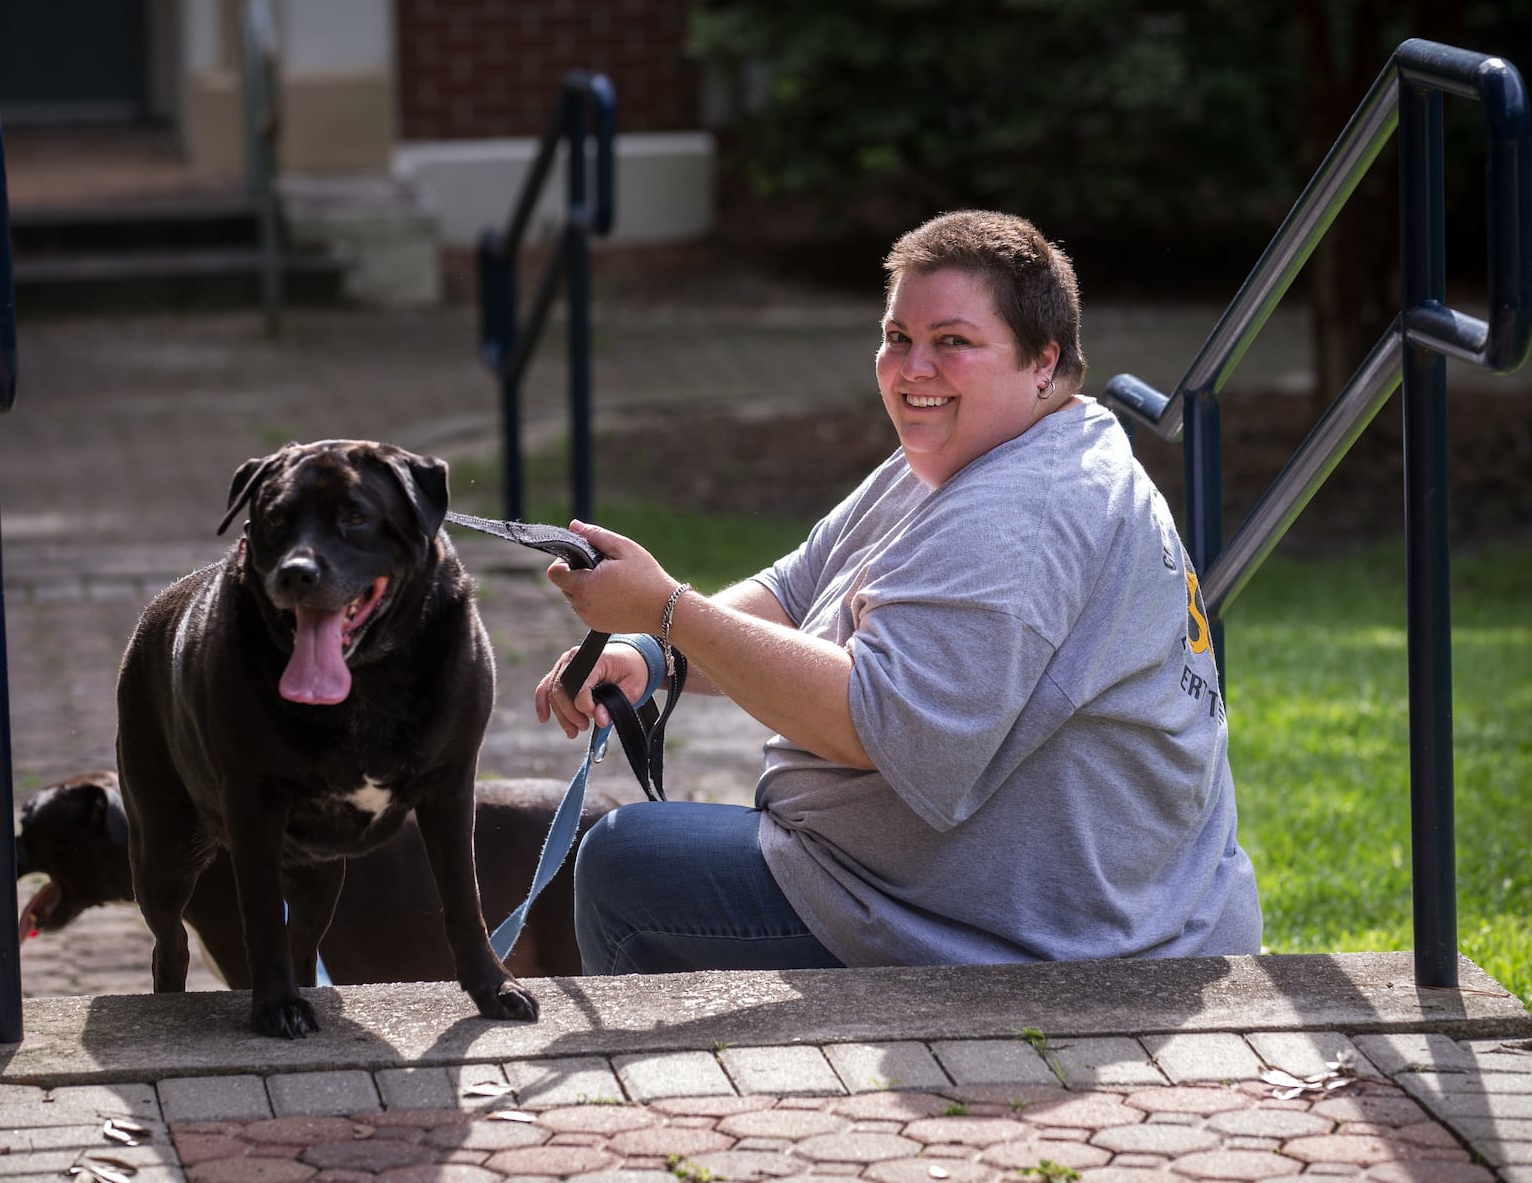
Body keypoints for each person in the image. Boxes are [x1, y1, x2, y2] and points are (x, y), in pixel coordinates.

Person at [535, 208, 1262, 975]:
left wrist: (667, 609)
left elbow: (873, 725)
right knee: (626, 851)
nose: (914, 368)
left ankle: (709, 1095)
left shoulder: (1021, 513)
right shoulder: (978, 449)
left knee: (628, 868)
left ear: (1043, 362)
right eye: (897, 338)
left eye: (953, 342)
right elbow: (797, 587)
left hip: (1051, 945)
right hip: (976, 901)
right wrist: (654, 651)